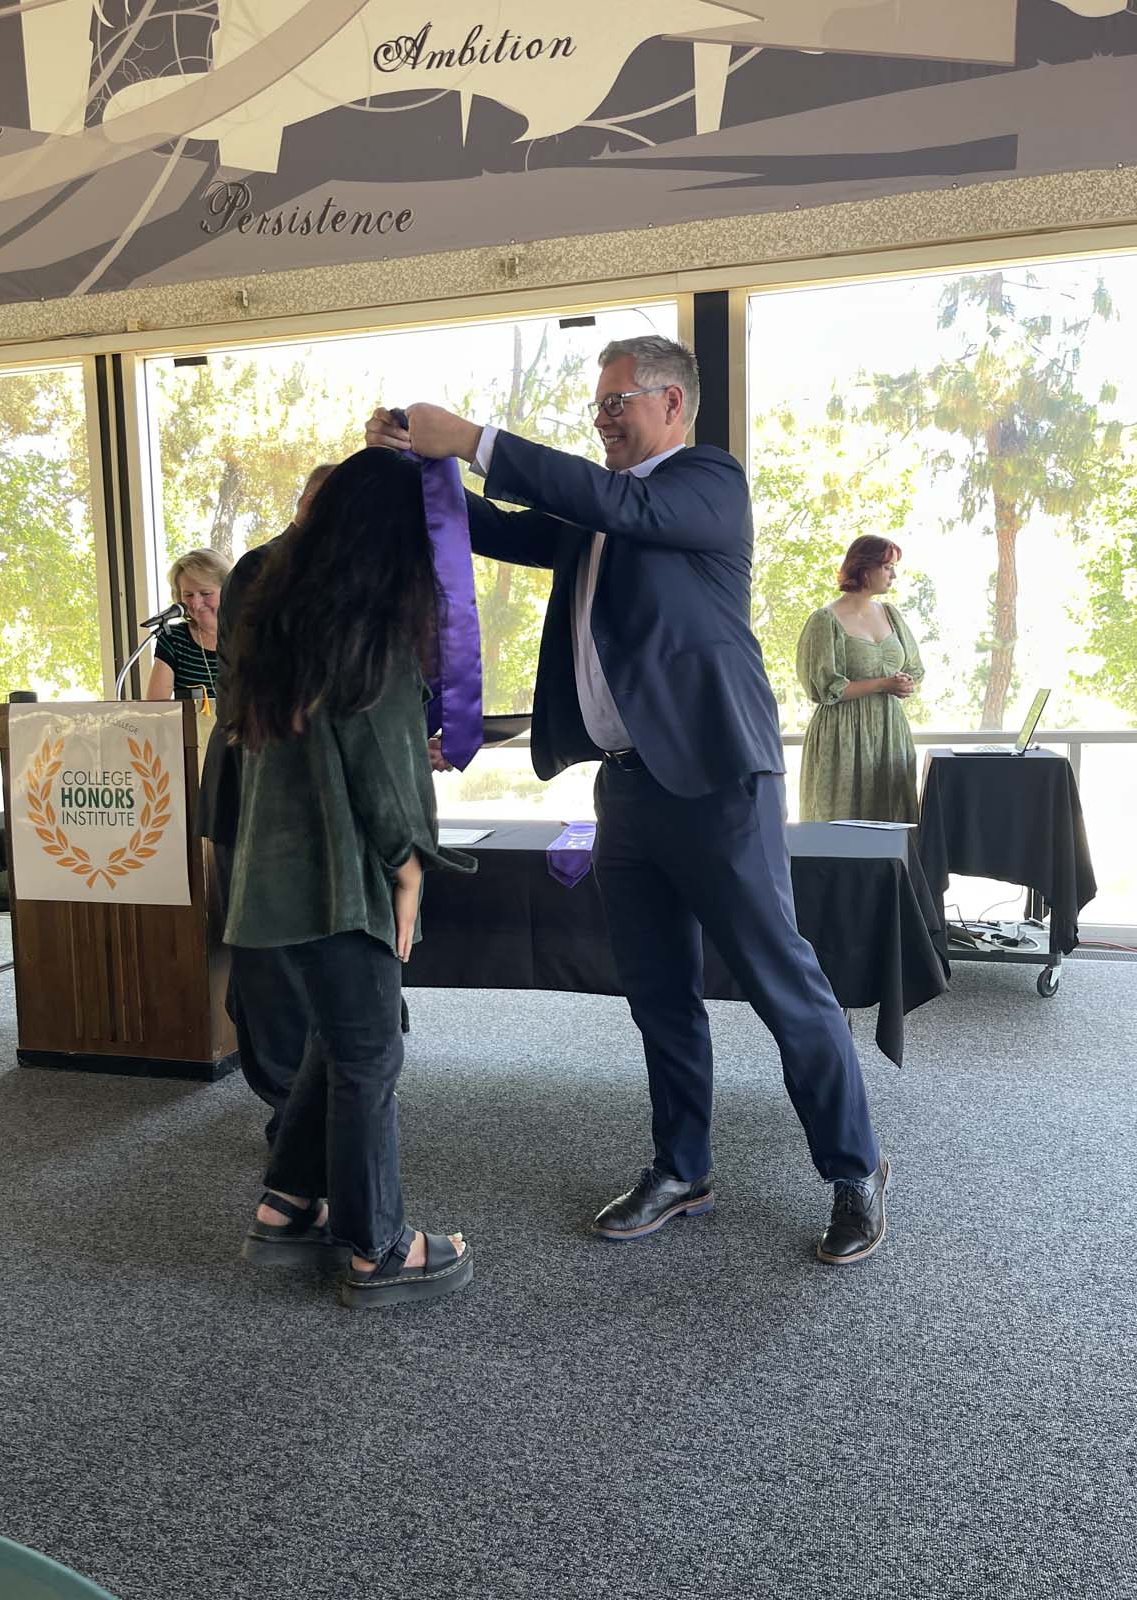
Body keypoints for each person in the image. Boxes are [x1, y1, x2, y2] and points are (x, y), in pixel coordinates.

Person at [366, 334, 889, 1266]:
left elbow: (608, 499)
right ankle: (682, 1167)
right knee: (656, 992)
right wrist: (416, 467)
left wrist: (478, 436)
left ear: (673, 406)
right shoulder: (601, 511)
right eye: (599, 405)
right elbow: (497, 525)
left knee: (781, 981)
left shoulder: (706, 484)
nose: (603, 418)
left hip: (719, 781)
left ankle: (853, 1170)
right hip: (628, 789)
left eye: (619, 403)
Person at [224, 447, 475, 1309]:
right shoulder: (371, 632)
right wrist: (408, 868)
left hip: (279, 877)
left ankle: (287, 1206)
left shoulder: (281, 612)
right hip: (345, 880)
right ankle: (376, 1248)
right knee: (372, 1051)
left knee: (338, 1038)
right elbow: (378, 767)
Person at [199, 465, 336, 1142]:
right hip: (256, 787)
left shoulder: (340, 570)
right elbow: (288, 687)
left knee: (306, 954)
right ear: (308, 506)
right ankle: (289, 1106)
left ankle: (311, 1095)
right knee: (269, 957)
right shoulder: (261, 572)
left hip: (312, 793)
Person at [796, 536, 925, 823]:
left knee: (891, 820)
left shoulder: (890, 614)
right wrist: (883, 684)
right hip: (842, 735)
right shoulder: (825, 620)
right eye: (888, 567)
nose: (894, 575)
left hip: (889, 732)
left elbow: (914, 668)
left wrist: (904, 682)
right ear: (865, 569)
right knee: (841, 825)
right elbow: (825, 688)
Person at [146, 548, 231, 701]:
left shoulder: (254, 637)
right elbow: (155, 710)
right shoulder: (173, 639)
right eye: (188, 595)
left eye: (205, 593)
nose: (196, 603)